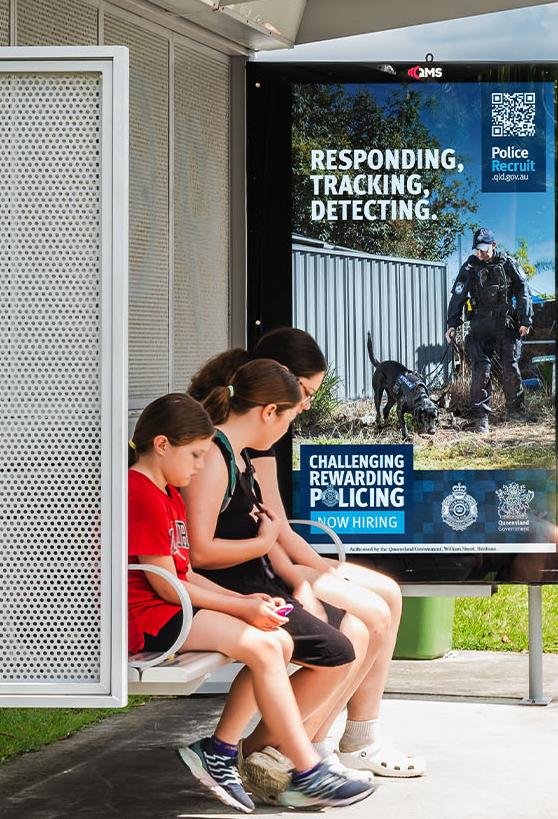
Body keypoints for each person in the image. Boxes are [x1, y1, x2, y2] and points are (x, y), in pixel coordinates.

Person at [179, 356, 378, 810]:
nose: (287, 429)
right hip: (233, 594)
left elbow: (260, 533)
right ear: (269, 412)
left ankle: (265, 754)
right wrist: (264, 543)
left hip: (259, 587)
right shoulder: (213, 458)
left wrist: (292, 575)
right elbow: (200, 551)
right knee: (338, 650)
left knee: (352, 635)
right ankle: (266, 756)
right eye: (288, 417)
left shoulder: (237, 457)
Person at [232, 327, 427, 777]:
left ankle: (361, 736)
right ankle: (309, 746)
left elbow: (276, 521)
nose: (307, 405)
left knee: (389, 595)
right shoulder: (253, 430)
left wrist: (321, 570)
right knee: (368, 616)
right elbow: (271, 531)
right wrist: (315, 577)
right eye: (303, 392)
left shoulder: (263, 430)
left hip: (275, 557)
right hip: (259, 568)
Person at [125, 394, 329, 814]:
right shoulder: (140, 493)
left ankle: (219, 750)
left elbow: (182, 574)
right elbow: (165, 587)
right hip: (146, 619)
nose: (200, 466)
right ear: (161, 444)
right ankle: (306, 771)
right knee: (263, 645)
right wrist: (240, 610)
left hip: (171, 607)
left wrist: (242, 599)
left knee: (279, 643)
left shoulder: (169, 493)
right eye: (196, 454)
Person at [446, 227, 532, 433]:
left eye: (484, 249)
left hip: (505, 324)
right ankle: (481, 418)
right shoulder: (470, 267)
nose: (480, 253)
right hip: (480, 325)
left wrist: (526, 319)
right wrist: (452, 323)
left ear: (493, 246)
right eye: (477, 249)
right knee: (481, 369)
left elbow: (523, 291)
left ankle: (515, 412)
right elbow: (458, 295)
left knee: (511, 366)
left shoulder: (508, 264)